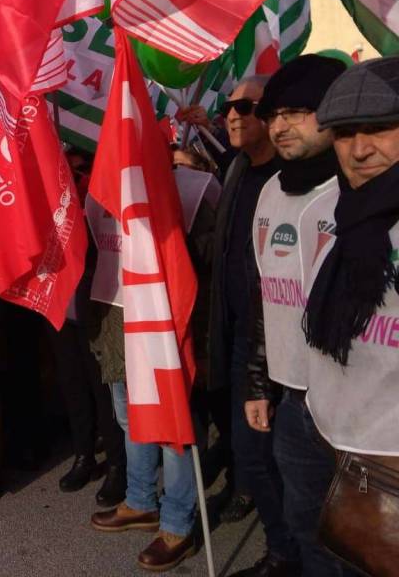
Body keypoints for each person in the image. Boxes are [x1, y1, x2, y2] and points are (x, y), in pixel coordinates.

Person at [238, 56, 350, 577]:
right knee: (305, 527)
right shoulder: (269, 191)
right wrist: (260, 382)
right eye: (275, 114)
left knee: (359, 540)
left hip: (354, 411)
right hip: (291, 401)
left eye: (298, 112)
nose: (280, 125)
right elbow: (268, 297)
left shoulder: (358, 196)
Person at [88, 144, 214, 572]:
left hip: (166, 316)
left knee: (173, 424)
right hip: (117, 313)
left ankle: (178, 522)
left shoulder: (196, 188)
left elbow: (208, 255)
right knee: (130, 417)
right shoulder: (102, 187)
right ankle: (140, 501)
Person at [201, 77, 302, 570]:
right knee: (253, 453)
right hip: (242, 335)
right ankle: (282, 549)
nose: (234, 115)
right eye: (228, 107)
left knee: (288, 461)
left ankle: (293, 553)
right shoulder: (238, 169)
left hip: (289, 344)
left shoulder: (293, 178)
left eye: (247, 106)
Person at [301, 56, 399, 561]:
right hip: (322, 432)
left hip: (387, 459)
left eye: (380, 128)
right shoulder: (331, 208)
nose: (360, 150)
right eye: (344, 133)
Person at [56, 149, 127, 507]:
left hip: (94, 306)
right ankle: (83, 454)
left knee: (103, 390)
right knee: (73, 386)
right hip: (59, 307)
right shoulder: (48, 195)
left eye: (76, 167)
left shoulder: (95, 195)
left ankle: (118, 464)